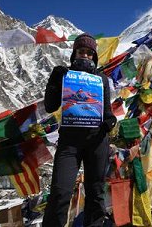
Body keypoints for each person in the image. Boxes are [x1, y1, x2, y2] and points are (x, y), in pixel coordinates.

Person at [42, 33, 117, 227]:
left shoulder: (101, 79)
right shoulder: (65, 75)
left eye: (89, 53)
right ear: (74, 54)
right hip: (70, 143)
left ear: (94, 56)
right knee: (60, 191)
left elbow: (107, 113)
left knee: (96, 193)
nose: (84, 56)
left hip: (97, 141)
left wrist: (110, 121)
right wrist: (54, 82)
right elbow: (50, 106)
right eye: (81, 51)